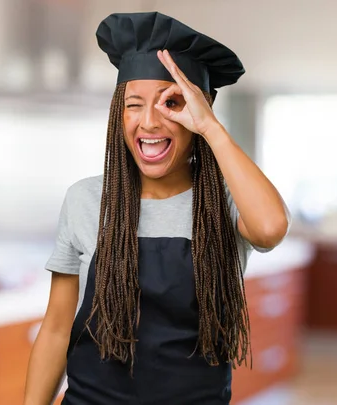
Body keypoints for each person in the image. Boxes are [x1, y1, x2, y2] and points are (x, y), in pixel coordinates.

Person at [24, 11, 290, 405]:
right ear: (119, 114)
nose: (149, 121)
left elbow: (270, 228)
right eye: (134, 104)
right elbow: (57, 327)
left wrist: (212, 128)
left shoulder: (226, 203)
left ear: (199, 110)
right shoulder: (85, 200)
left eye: (172, 103)